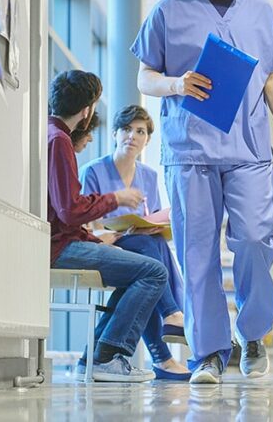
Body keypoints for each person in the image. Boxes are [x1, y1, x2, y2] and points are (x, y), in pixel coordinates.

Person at [131, 0, 273, 385]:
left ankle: (252, 334)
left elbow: (272, 74)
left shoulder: (261, 11)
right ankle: (208, 353)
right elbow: (144, 76)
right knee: (196, 252)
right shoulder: (168, 11)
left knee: (253, 240)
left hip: (248, 148)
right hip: (189, 150)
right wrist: (175, 83)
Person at [47, 70, 168, 383]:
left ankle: (94, 357)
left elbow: (65, 213)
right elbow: (70, 210)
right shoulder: (59, 141)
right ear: (87, 111)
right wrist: (115, 199)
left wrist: (94, 239)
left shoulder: (52, 135)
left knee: (143, 267)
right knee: (154, 271)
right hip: (60, 248)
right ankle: (110, 356)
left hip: (64, 241)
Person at [78, 105, 192, 381]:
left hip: (139, 246)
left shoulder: (149, 176)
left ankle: (93, 358)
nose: (133, 136)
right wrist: (105, 235)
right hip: (105, 245)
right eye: (127, 129)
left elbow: (151, 217)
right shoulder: (92, 171)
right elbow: (83, 220)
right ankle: (169, 328)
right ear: (115, 133)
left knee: (150, 253)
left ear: (147, 139)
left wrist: (155, 226)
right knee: (150, 260)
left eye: (140, 131)